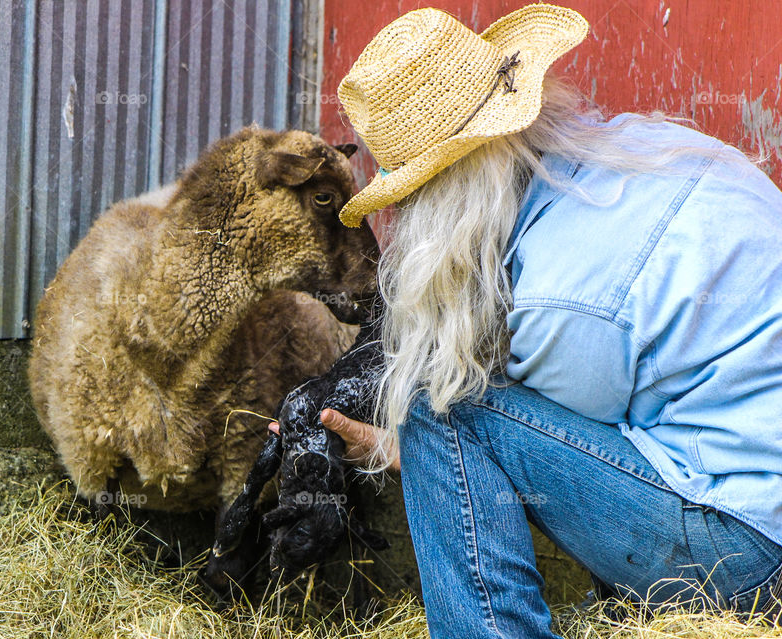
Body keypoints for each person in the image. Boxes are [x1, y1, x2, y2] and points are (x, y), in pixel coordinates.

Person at [280, 4, 782, 638]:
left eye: (410, 201)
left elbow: (544, 464)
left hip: (755, 557)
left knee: (444, 408)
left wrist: (398, 449)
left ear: (444, 195)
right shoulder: (644, 146)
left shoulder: (555, 307)